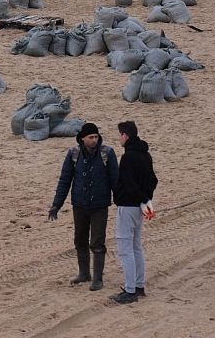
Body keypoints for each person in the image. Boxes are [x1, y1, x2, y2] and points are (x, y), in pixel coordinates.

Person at [49, 122, 119, 291]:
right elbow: (65, 180)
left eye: (96, 137)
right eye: (90, 137)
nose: (94, 140)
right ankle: (84, 273)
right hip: (79, 205)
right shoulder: (74, 154)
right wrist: (56, 205)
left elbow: (115, 180)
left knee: (97, 242)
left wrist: (120, 200)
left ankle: (98, 279)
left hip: (100, 206)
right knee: (80, 240)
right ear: (82, 138)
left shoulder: (107, 153)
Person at [111, 120, 158, 304]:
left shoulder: (128, 157)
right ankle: (138, 286)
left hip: (128, 206)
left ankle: (131, 290)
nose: (119, 138)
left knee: (125, 248)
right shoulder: (146, 155)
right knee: (136, 246)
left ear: (125, 135)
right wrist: (146, 200)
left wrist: (137, 198)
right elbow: (153, 180)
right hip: (140, 207)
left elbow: (128, 184)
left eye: (120, 135)